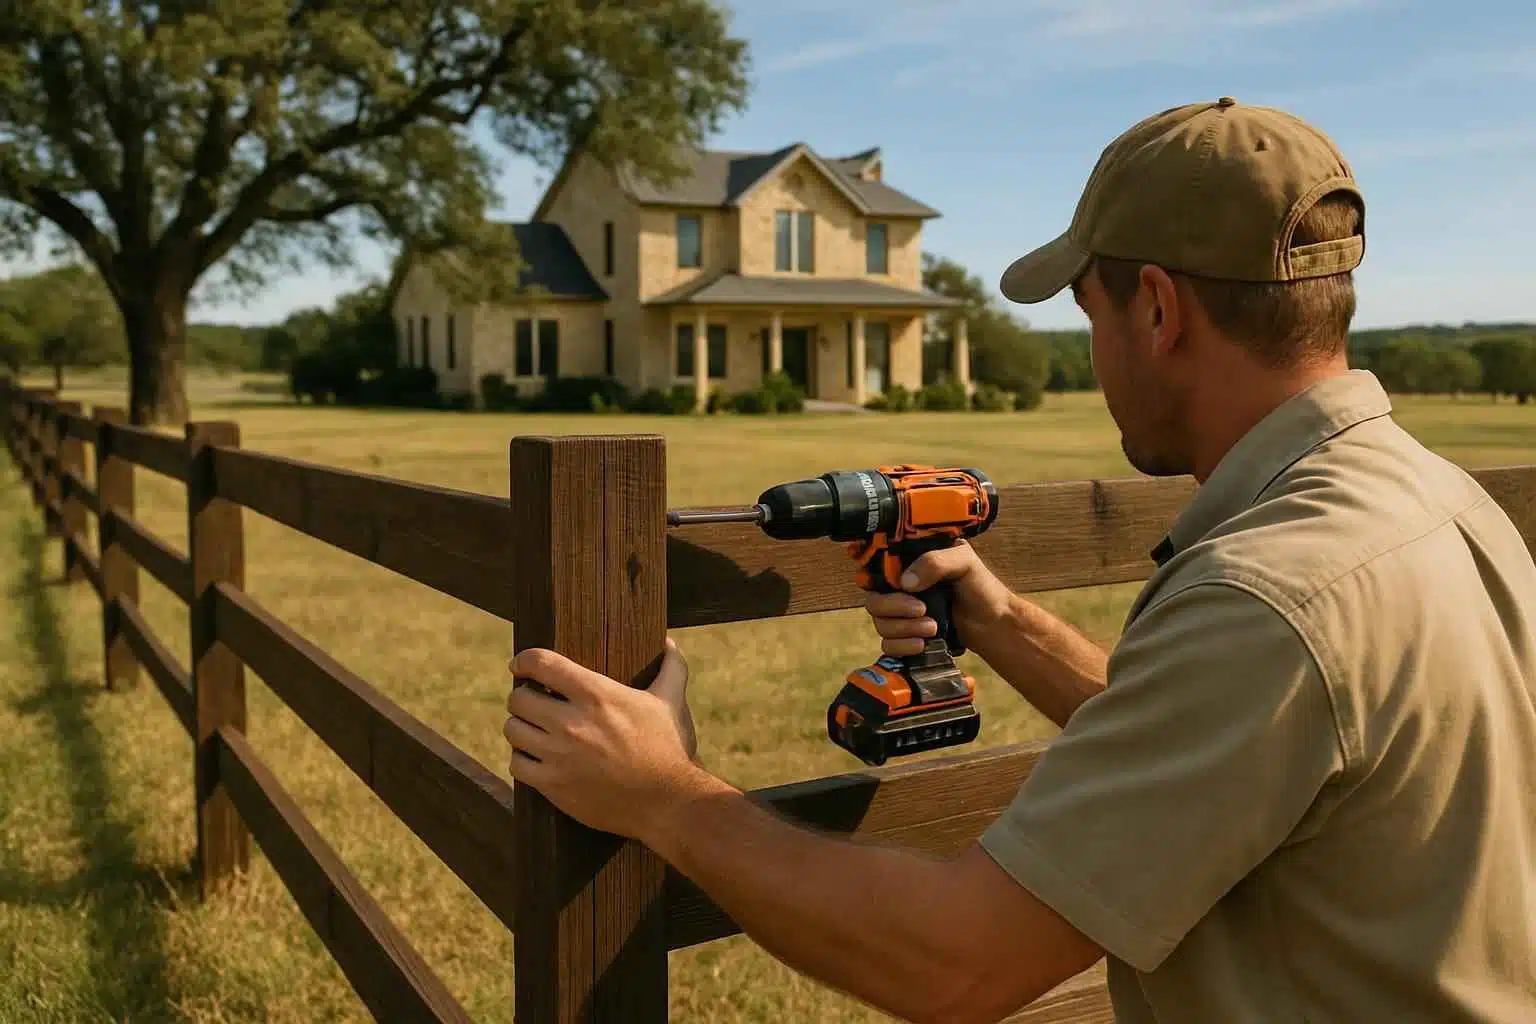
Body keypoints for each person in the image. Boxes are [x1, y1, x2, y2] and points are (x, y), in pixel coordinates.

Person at [501, 98, 1536, 1023]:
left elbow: (956, 963)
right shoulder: (1443, 505)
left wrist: (663, 794)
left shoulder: (1268, 595)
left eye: (1088, 314)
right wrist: (997, 618)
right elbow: (1227, 753)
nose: (1093, 352)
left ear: (1159, 310)